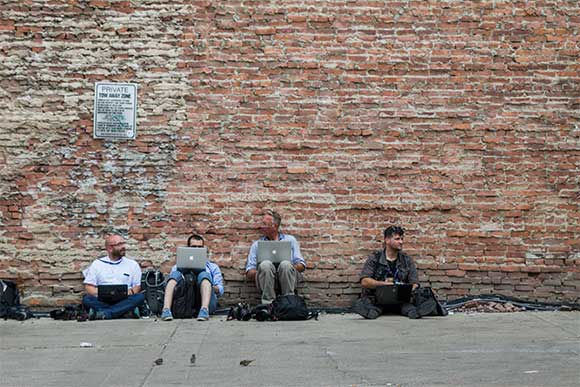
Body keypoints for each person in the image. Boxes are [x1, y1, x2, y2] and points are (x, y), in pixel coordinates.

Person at [352, 225, 423, 319]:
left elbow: (415, 283)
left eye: (402, 239)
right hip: (378, 299)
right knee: (372, 308)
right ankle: (370, 312)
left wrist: (403, 288)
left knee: (410, 308)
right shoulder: (375, 258)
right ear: (387, 240)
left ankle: (416, 312)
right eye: (397, 239)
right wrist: (386, 285)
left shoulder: (407, 260)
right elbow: (365, 282)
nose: (401, 242)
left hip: (400, 300)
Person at [245, 210, 306, 305]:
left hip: (288, 277)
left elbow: (301, 266)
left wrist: (288, 268)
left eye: (264, 224)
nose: (261, 226)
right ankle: (268, 304)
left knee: (285, 264)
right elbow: (249, 272)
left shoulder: (290, 240)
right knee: (265, 265)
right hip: (265, 280)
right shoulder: (257, 245)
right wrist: (264, 271)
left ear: (274, 226)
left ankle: (288, 302)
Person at [160, 234, 224, 321]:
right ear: (188, 248)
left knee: (204, 275)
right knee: (175, 274)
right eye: (194, 247)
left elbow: (220, 290)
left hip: (206, 303)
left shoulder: (213, 267)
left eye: (200, 247)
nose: (197, 250)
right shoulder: (177, 267)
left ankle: (204, 310)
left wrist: (209, 286)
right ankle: (166, 309)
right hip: (184, 303)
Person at [82, 234, 145, 320]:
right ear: (110, 248)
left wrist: (127, 292)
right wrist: (103, 293)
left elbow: (137, 287)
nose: (123, 247)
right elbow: (89, 287)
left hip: (125, 299)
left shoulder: (132, 264)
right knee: (87, 299)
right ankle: (122, 312)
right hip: (102, 300)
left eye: (123, 243)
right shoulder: (97, 264)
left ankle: (105, 313)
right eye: (119, 244)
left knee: (140, 297)